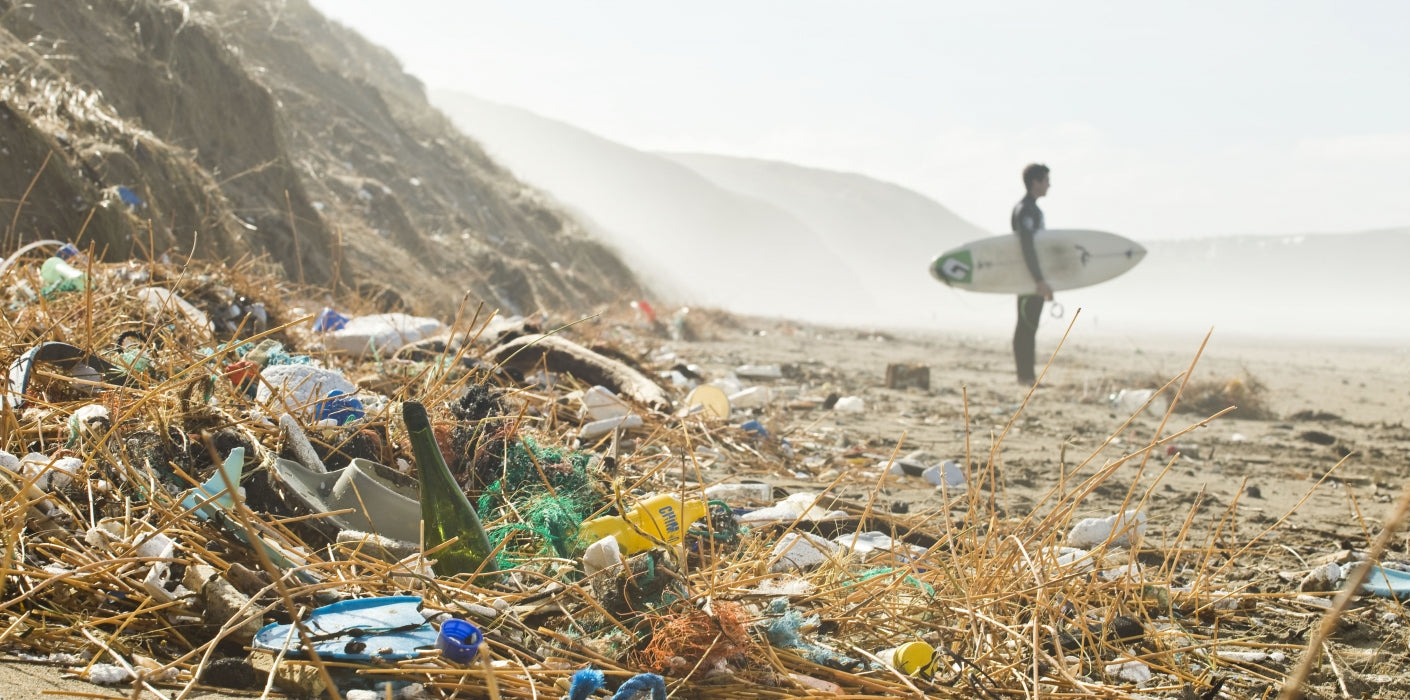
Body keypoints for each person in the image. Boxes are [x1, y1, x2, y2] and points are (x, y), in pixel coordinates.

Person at [1011, 163, 1052, 386]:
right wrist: (1038, 280)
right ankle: (1025, 376)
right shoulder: (1025, 210)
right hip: (1028, 279)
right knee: (1026, 326)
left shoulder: (1032, 209)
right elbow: (1027, 246)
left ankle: (1028, 375)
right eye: (1046, 180)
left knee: (1030, 326)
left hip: (1033, 278)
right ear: (1035, 182)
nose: (1049, 185)